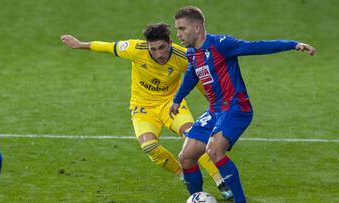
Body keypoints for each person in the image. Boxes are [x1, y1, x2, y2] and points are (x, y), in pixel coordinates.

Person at [61, 23, 233, 199]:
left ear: (170, 43)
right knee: (149, 146)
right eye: (153, 49)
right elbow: (108, 46)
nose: (158, 54)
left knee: (193, 137)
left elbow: (197, 79)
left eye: (162, 48)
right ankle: (182, 174)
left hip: (171, 104)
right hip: (143, 108)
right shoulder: (136, 48)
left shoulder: (183, 56)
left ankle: (221, 180)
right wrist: (81, 44)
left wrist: (215, 102)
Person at [169, 6, 315, 203]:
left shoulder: (221, 44)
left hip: (236, 107)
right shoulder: (191, 53)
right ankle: (196, 199)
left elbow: (256, 46)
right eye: (177, 29)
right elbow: (191, 75)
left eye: (182, 28)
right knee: (186, 157)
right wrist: (177, 99)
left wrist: (292, 44)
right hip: (214, 111)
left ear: (197, 28)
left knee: (214, 150)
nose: (178, 34)